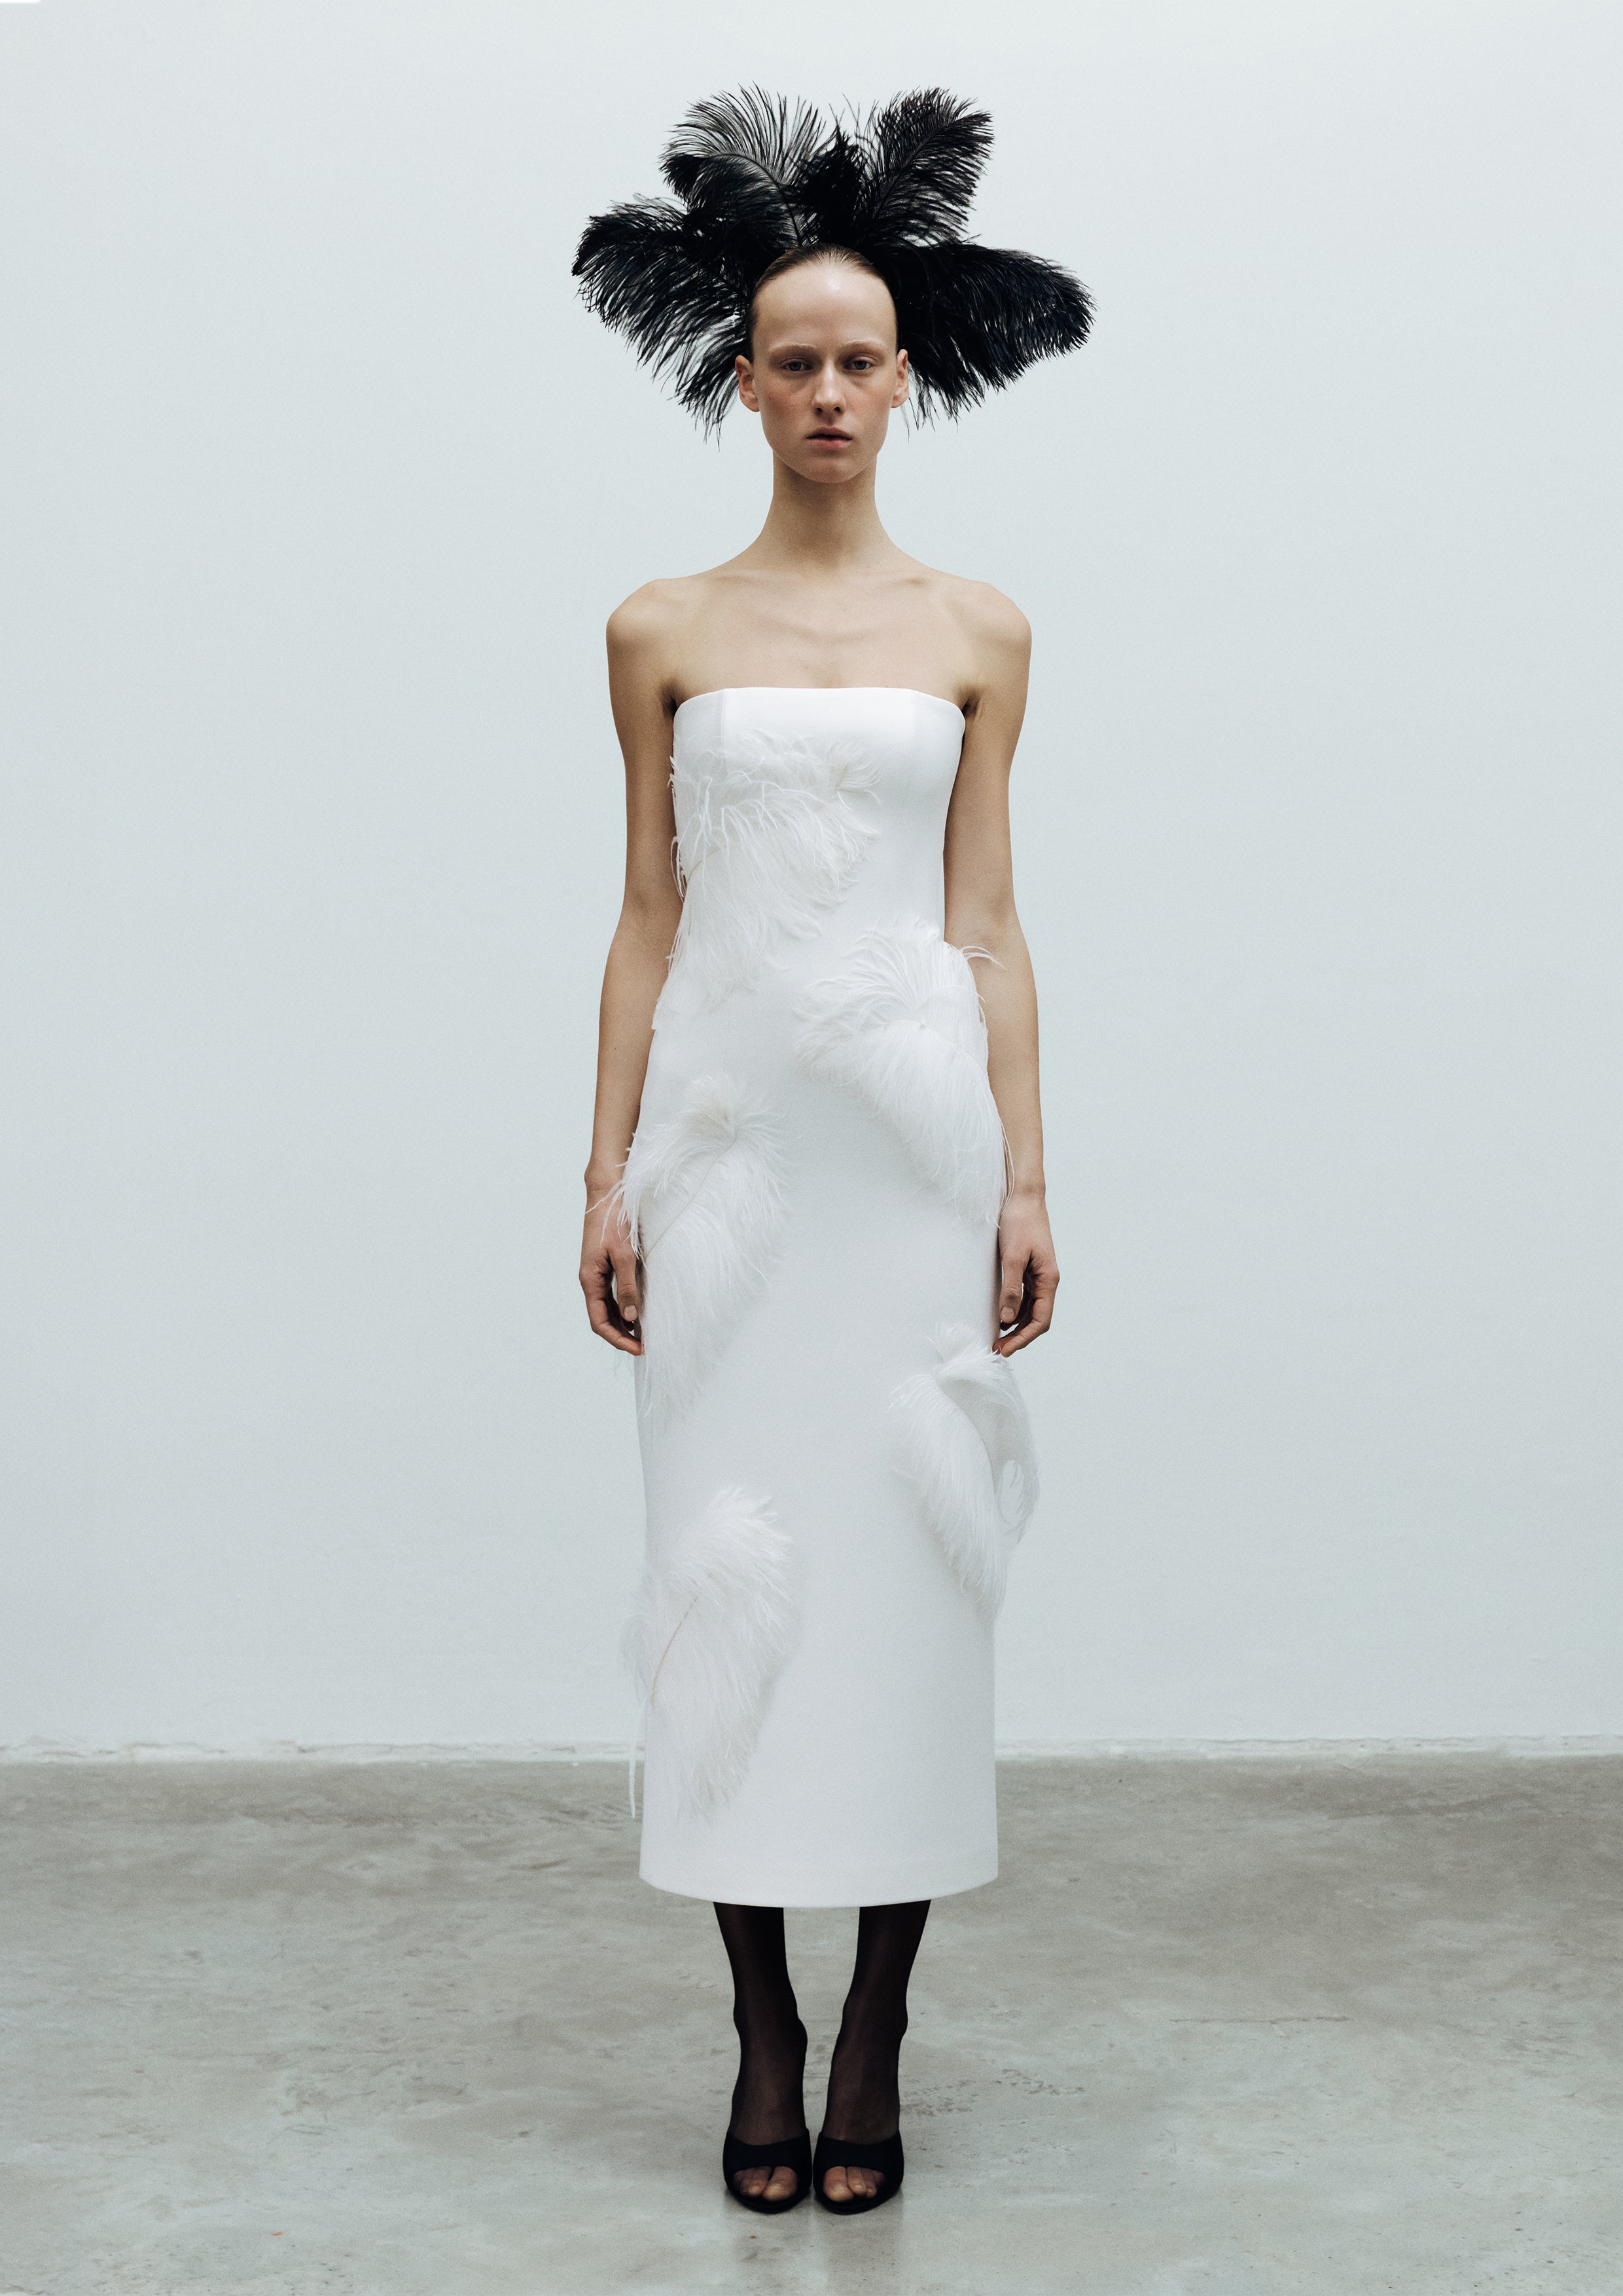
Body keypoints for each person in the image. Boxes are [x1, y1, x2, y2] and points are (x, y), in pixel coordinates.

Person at [573, 90, 1090, 2216]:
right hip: (728, 1170)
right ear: (740, 377)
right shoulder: (659, 628)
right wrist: (604, 1171)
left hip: (906, 1171)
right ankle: (759, 2028)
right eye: (791, 360)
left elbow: (988, 921)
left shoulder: (979, 631)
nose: (827, 392)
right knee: (727, 1574)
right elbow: (646, 914)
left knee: (901, 1582)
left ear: (907, 376)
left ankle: (873, 2020)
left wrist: (1028, 1178)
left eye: (860, 359)